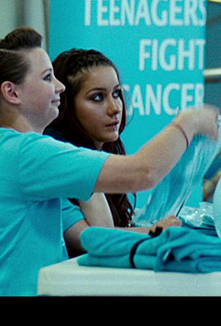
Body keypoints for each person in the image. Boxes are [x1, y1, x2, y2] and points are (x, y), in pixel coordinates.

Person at [0, 27, 219, 296]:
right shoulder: (24, 154)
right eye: (47, 78)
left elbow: (97, 236)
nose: (59, 87)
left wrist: (157, 234)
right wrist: (189, 121)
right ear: (12, 92)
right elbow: (144, 172)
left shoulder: (15, 156)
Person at [44, 48, 182, 257]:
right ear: (66, 107)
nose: (114, 108)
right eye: (97, 97)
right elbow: (99, 236)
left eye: (116, 93)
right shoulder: (55, 155)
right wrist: (188, 124)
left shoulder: (105, 148)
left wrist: (156, 230)